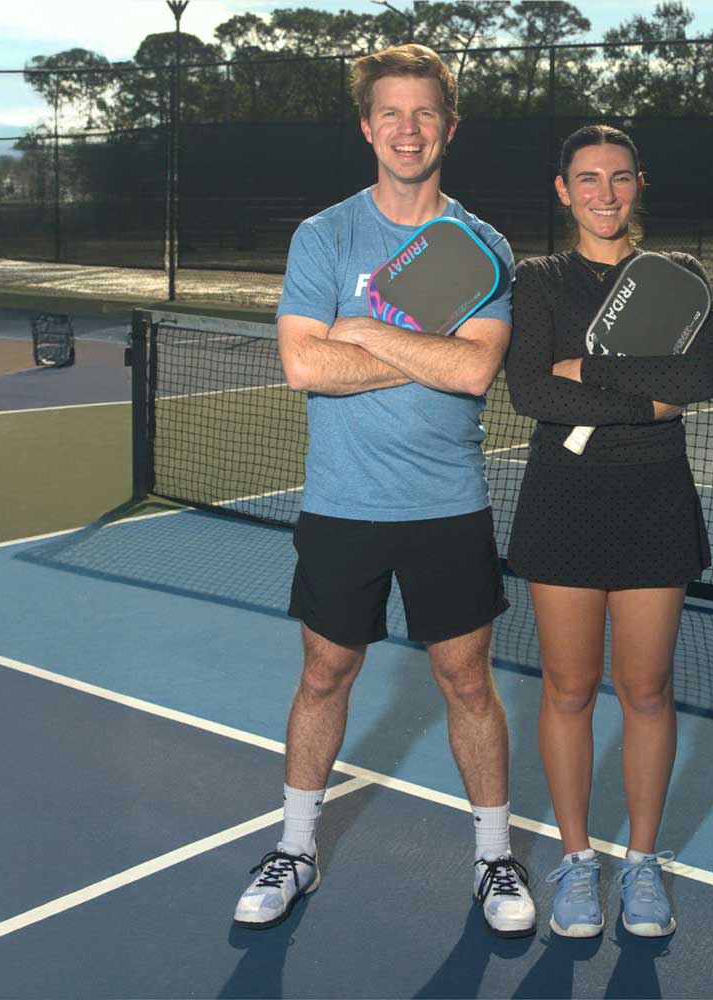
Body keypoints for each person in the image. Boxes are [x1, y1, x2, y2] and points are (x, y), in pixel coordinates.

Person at [233, 44, 535, 939]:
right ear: (368, 128)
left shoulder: (483, 246)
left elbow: (476, 371)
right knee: (325, 673)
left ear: (450, 125)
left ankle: (493, 855)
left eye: (425, 113)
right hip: (342, 503)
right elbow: (302, 365)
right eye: (391, 114)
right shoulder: (323, 236)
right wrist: (417, 352)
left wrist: (362, 333)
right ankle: (295, 848)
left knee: (466, 681)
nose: (409, 129)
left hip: (449, 503)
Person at [504, 124, 713, 939]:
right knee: (567, 689)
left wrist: (590, 370)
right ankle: (575, 862)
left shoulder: (679, 276)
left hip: (653, 496)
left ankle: (640, 864)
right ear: (563, 190)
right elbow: (531, 391)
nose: (605, 193)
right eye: (587, 179)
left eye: (620, 177)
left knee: (645, 690)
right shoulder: (539, 280)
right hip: (562, 498)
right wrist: (645, 398)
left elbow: (701, 376)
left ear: (640, 185)